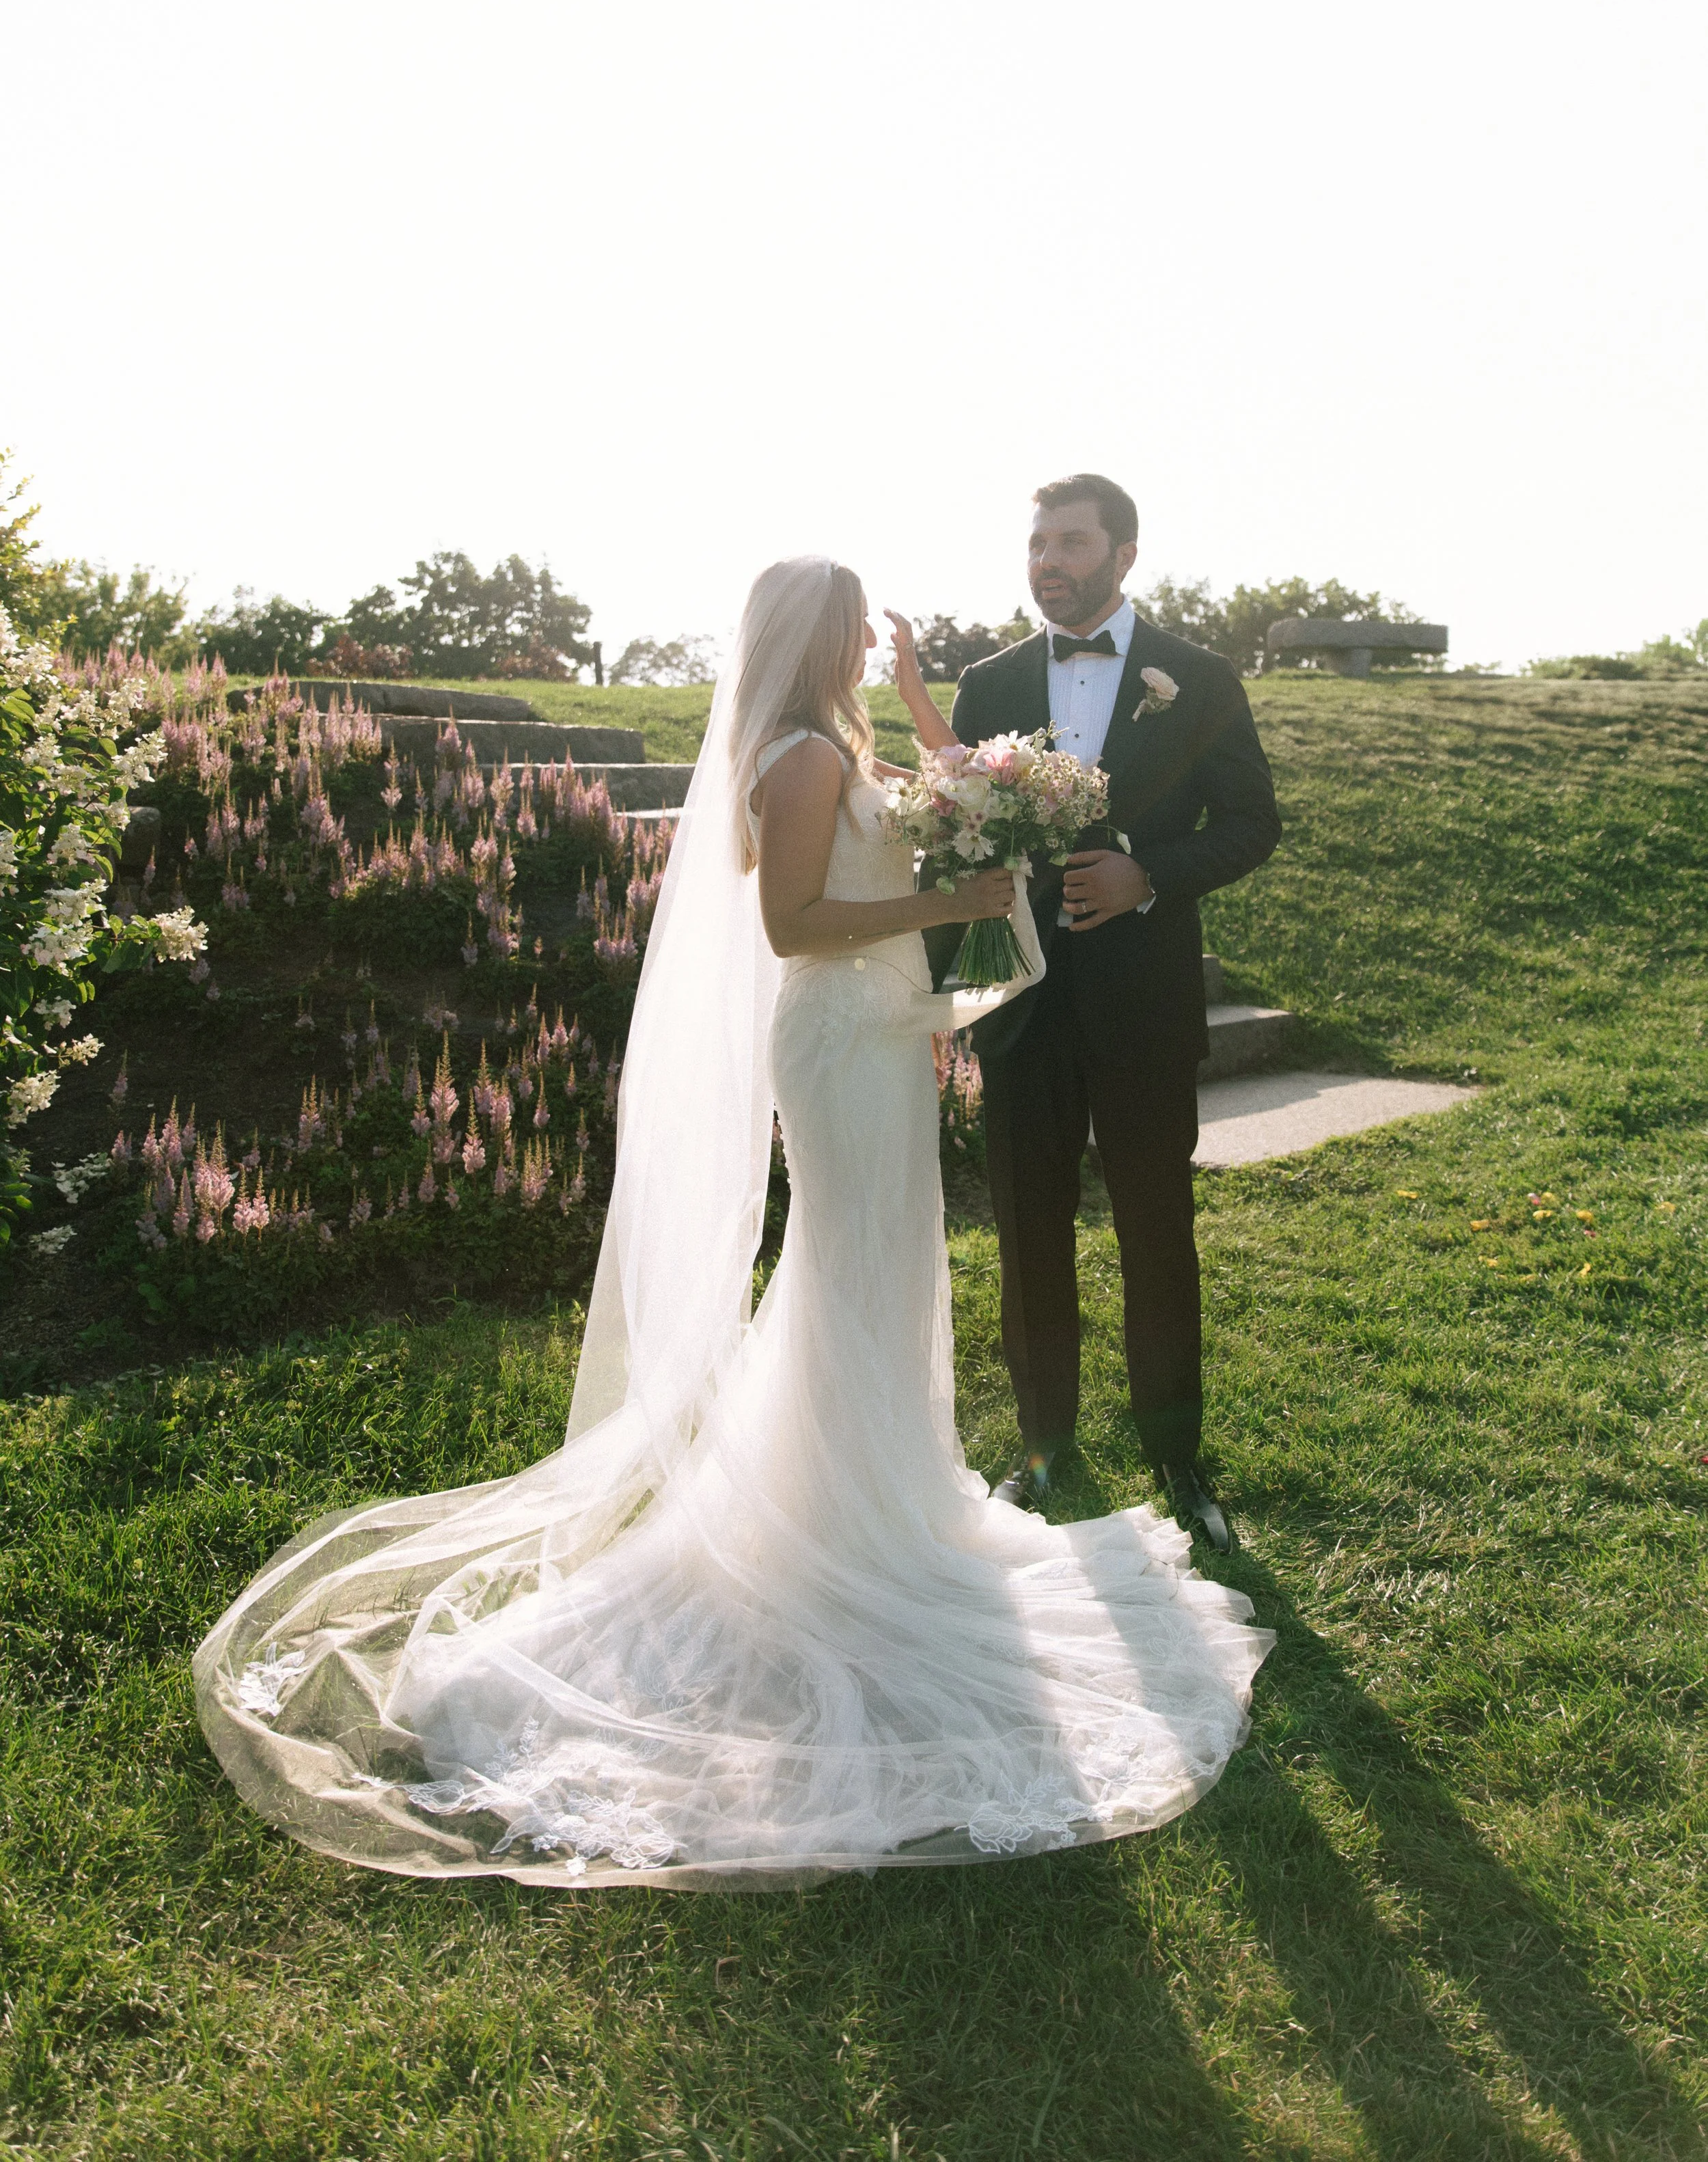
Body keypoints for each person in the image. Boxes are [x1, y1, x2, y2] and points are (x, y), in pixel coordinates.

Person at [195, 556, 1270, 1888]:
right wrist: (948, 909)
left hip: (874, 1040)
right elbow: (792, 924)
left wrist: (924, 704)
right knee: (852, 1273)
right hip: (833, 1041)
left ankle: (874, 1499)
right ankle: (837, 1535)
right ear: (817, 634)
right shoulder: (797, 755)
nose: (867, 637)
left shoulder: (829, 740)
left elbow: (947, 813)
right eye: (856, 624)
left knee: (875, 1280)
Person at [903, 476, 1281, 1550]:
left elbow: (1253, 822)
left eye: (1071, 541)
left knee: (1158, 1225)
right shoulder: (988, 682)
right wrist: (968, 996)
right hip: (1022, 1009)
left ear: (1125, 554)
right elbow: (961, 839)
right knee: (1027, 1231)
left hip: (1146, 1009)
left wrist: (1146, 875)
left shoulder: (1197, 678)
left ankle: (1175, 1450)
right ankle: (1042, 1447)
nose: (1048, 560)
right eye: (1037, 542)